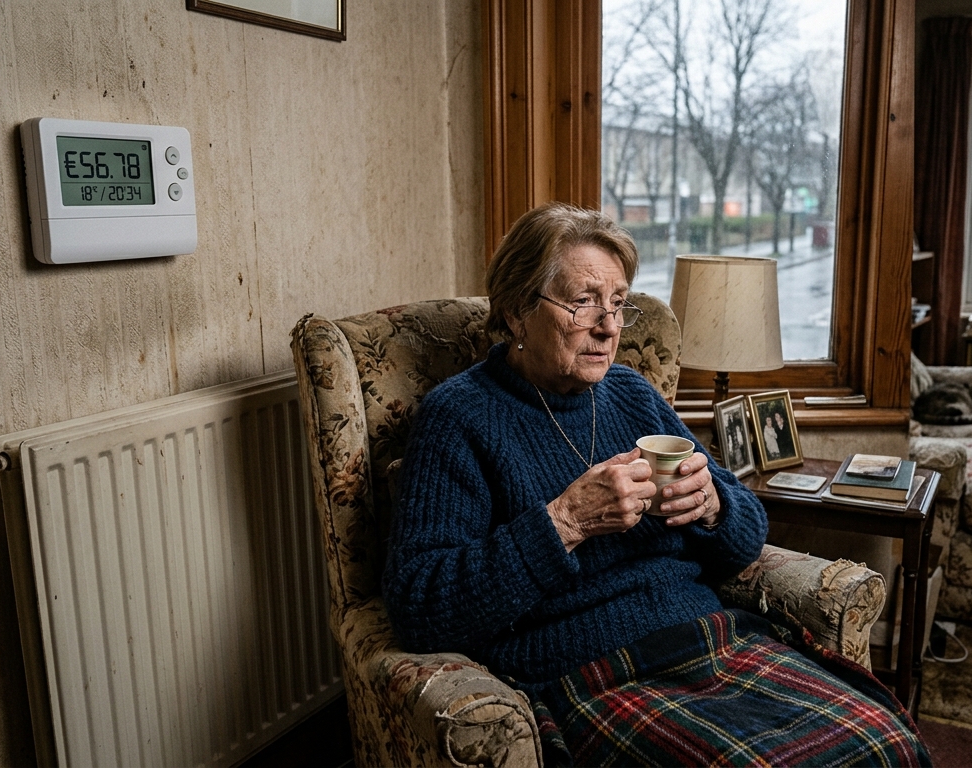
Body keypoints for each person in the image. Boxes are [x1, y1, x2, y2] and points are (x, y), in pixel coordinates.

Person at [384, 202, 930, 767]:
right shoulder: (459, 418)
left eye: (618, 304)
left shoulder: (631, 394)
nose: (609, 326)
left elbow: (746, 537)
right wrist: (565, 522)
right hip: (588, 670)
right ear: (520, 310)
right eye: (584, 302)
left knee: (889, 742)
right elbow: (421, 605)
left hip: (708, 636)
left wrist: (714, 504)